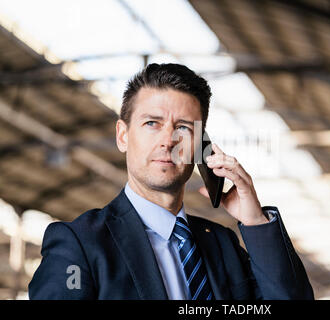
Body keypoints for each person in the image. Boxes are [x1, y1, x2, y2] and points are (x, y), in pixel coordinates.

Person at [28, 63, 314, 300]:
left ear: (201, 146)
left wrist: (255, 222)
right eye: (152, 123)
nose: (168, 141)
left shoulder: (223, 245)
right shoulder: (80, 244)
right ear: (123, 136)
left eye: (184, 128)